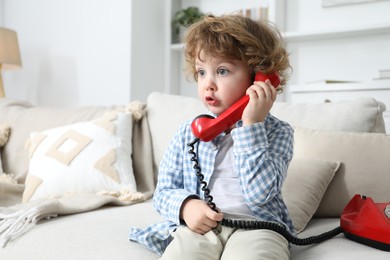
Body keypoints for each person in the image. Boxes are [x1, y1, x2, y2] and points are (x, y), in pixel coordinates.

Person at [129, 14, 294, 260]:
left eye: (222, 71)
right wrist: (186, 206)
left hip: (258, 227)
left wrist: (251, 127)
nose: (209, 84)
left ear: (259, 77)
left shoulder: (279, 132)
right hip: (200, 227)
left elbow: (260, 194)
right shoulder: (188, 133)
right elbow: (163, 191)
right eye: (201, 72)